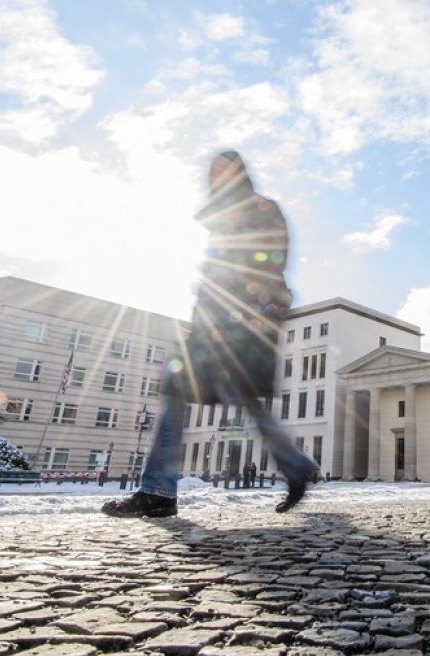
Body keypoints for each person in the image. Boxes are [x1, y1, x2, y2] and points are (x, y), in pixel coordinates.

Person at [102, 150, 317, 518]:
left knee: (185, 393)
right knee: (237, 399)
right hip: (221, 326)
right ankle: (295, 465)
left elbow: (260, 265)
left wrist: (238, 315)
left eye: (223, 173)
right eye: (212, 174)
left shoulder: (255, 210)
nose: (215, 180)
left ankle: (157, 490)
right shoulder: (229, 215)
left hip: (235, 327)